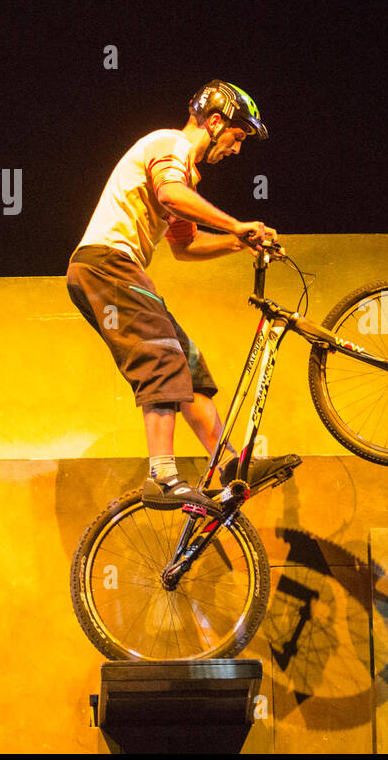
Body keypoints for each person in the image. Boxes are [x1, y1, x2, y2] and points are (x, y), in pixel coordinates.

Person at [66, 80, 290, 508]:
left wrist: (241, 241)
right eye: (237, 137)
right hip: (105, 265)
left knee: (189, 367)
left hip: (114, 270)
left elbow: (184, 246)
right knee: (162, 358)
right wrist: (235, 224)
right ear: (215, 121)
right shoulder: (169, 145)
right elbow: (171, 194)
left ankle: (225, 463)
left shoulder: (184, 173)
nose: (237, 149)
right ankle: (163, 477)